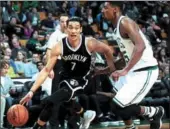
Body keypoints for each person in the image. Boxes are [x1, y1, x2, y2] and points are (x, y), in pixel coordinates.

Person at [20, 17, 115, 129]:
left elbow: (108, 50)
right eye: (70, 28)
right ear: (66, 29)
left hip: (82, 79)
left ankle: (36, 127)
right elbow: (46, 70)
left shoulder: (89, 43)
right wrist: (31, 91)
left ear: (80, 29)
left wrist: (111, 69)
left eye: (76, 28)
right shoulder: (59, 46)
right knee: (65, 102)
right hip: (65, 78)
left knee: (50, 101)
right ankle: (84, 114)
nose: (73, 31)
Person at [100, 2, 164, 129]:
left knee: (118, 106)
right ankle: (132, 126)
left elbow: (141, 46)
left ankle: (155, 112)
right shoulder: (116, 27)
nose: (102, 10)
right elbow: (126, 57)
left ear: (115, 9)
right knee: (113, 98)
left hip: (145, 70)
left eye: (105, 8)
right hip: (133, 70)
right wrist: (103, 70)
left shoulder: (125, 22)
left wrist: (125, 71)